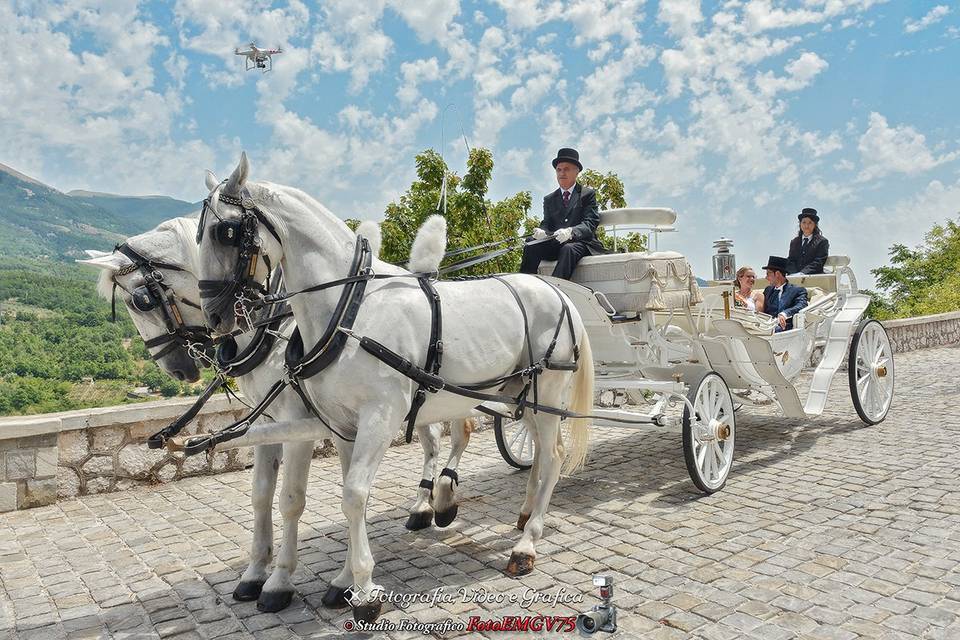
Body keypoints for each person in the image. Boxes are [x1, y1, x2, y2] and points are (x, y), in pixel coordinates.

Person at [519, 148, 604, 279]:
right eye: (559, 170)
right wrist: (542, 232)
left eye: (566, 169)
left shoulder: (587, 194)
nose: (562, 173)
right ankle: (524, 282)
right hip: (556, 243)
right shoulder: (549, 199)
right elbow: (547, 223)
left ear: (576, 172)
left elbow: (590, 223)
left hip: (581, 244)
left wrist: (571, 231)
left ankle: (556, 287)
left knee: (568, 249)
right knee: (531, 242)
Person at [762, 256, 808, 332]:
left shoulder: (797, 290)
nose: (766, 277)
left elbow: (802, 305)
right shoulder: (768, 290)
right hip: (767, 326)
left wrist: (785, 314)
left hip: (784, 329)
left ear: (777, 274)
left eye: (768, 274)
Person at [787, 207, 829, 275]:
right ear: (800, 224)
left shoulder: (822, 242)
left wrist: (802, 273)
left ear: (815, 225)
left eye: (810, 223)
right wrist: (794, 274)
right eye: (804, 222)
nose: (806, 226)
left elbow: (818, 262)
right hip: (795, 277)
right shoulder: (794, 242)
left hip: (814, 277)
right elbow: (791, 261)